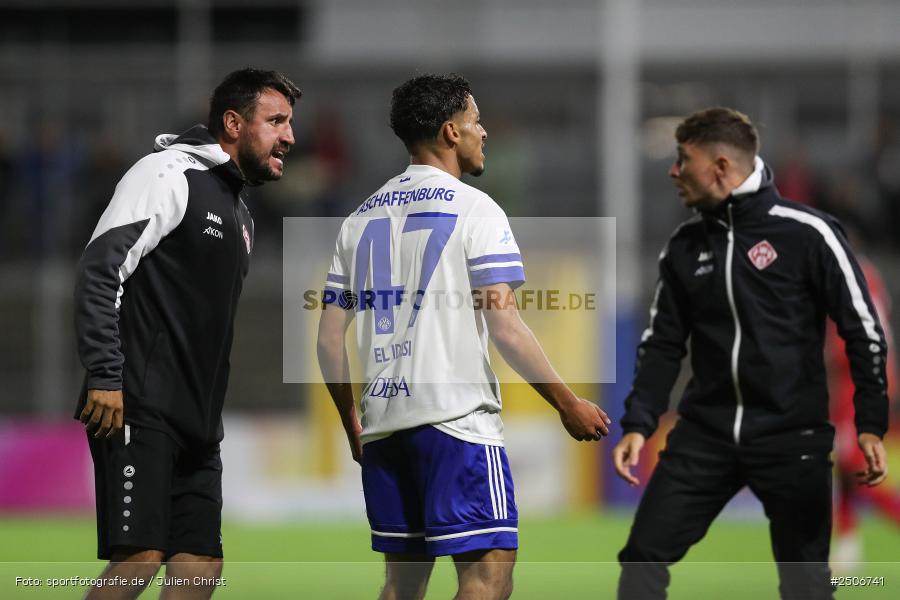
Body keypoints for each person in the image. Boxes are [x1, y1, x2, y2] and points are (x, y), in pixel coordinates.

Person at [316, 73, 610, 600]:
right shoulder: (476, 210)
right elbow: (507, 327)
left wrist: (350, 419)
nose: (484, 133)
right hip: (455, 425)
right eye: (476, 122)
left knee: (401, 586)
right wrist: (567, 403)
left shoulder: (358, 219)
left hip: (384, 427)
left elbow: (329, 340)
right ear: (451, 132)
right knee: (488, 576)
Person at [611, 107, 890, 600]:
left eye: (683, 159)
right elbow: (662, 344)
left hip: (792, 437)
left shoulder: (810, 232)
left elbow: (862, 329)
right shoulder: (684, 246)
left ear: (720, 166)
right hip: (705, 437)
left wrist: (870, 422)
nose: (673, 171)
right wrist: (639, 422)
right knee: (641, 558)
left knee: (805, 583)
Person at [74, 68, 300, 599]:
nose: (290, 136)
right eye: (276, 121)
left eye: (289, 123)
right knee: (140, 560)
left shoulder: (241, 212)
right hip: (137, 405)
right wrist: (106, 373)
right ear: (232, 122)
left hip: (198, 422)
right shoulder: (166, 173)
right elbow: (101, 270)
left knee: (200, 568)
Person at [828, 251, 900, 568]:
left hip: (857, 383)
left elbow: (856, 341)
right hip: (862, 379)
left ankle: (849, 539)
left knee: (856, 467)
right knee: (844, 469)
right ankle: (847, 543)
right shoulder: (867, 275)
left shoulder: (849, 278)